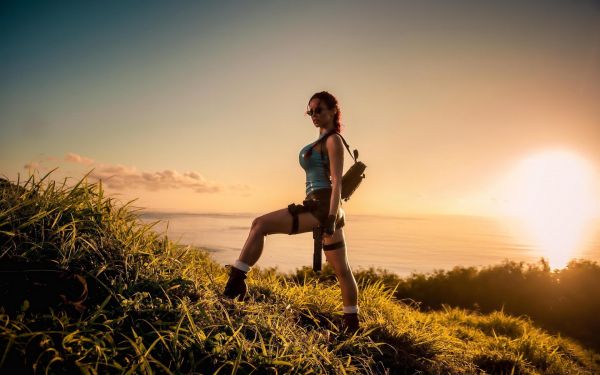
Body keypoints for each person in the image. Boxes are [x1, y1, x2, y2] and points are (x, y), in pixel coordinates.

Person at [223, 91, 360, 332]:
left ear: (333, 111)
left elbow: (337, 181)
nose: (314, 115)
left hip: (323, 208)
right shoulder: (321, 140)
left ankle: (234, 287)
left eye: (319, 110)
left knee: (260, 224)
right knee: (342, 270)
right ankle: (352, 325)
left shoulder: (333, 140)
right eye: (310, 111)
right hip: (320, 206)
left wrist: (330, 215)